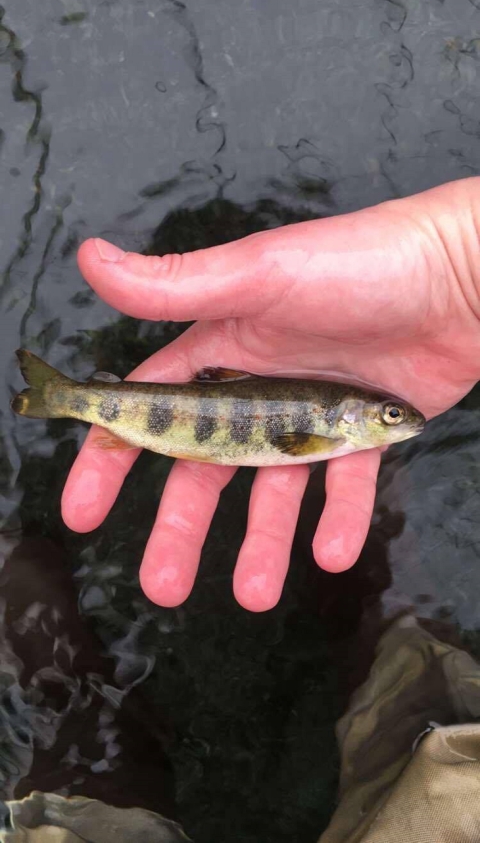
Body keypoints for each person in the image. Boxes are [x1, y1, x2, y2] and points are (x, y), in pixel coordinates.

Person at [61, 177, 480, 612]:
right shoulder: (330, 434)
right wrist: (455, 266)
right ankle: (68, 398)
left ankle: (67, 397)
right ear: (351, 416)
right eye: (390, 415)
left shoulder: (337, 429)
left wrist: (459, 267)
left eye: (393, 415)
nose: (403, 422)